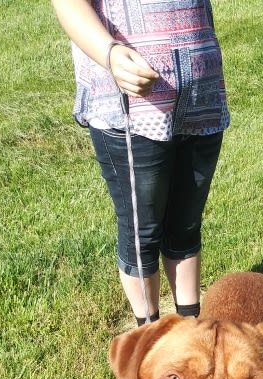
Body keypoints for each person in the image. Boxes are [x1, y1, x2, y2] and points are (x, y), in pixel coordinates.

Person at [51, 0, 229, 324]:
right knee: (142, 232)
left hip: (200, 95)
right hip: (131, 107)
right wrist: (111, 53)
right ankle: (150, 337)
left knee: (186, 225)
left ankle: (191, 328)